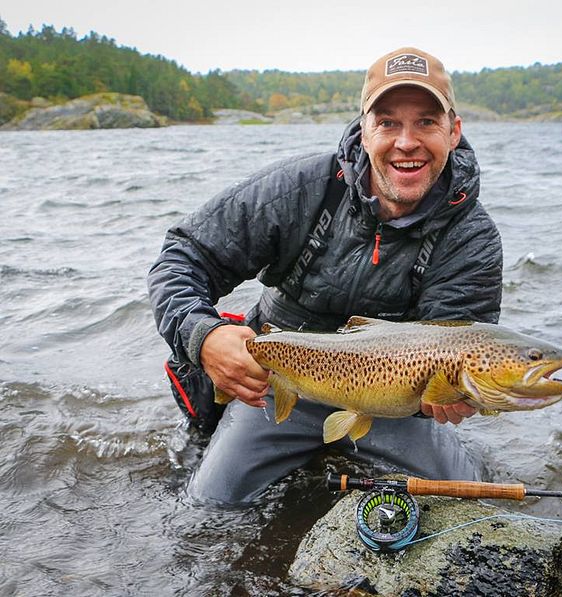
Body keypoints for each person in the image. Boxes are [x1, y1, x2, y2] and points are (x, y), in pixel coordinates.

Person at [148, 47, 503, 505]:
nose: (407, 142)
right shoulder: (302, 189)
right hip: (279, 380)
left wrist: (455, 395)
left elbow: (460, 339)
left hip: (392, 402)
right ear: (364, 130)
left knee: (470, 500)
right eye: (388, 122)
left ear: (454, 132)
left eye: (427, 122)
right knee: (209, 505)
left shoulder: (472, 236)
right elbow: (183, 256)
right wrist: (204, 336)